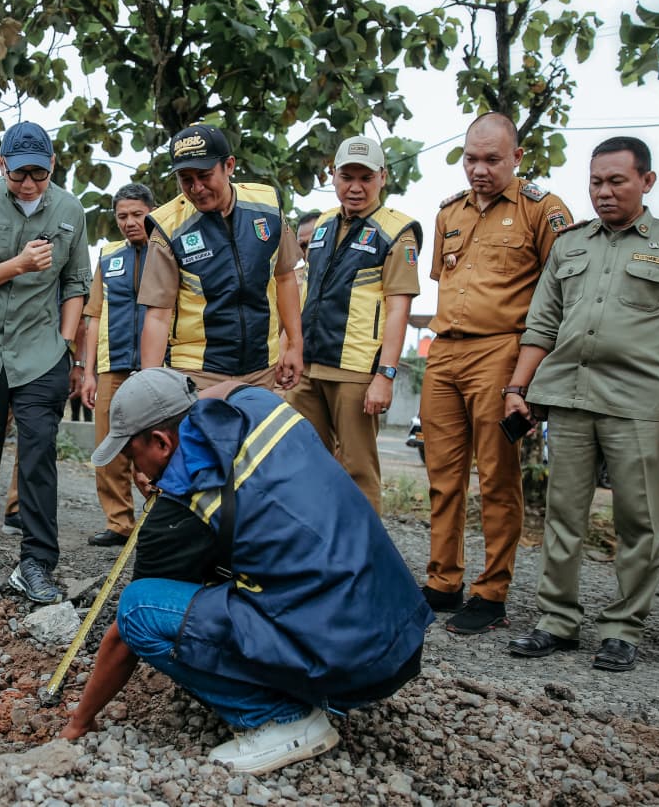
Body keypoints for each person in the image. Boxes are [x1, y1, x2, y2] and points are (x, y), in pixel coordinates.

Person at [58, 368, 431, 775]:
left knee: (136, 609)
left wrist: (79, 722)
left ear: (162, 442)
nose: (137, 474)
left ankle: (280, 719)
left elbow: (122, 637)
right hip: (397, 630)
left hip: (353, 662)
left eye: (133, 457)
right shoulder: (260, 406)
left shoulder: (181, 508)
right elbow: (227, 387)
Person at [503, 137, 659, 672]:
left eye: (616, 180)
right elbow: (541, 324)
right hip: (569, 397)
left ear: (647, 182)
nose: (603, 192)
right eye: (596, 181)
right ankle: (556, 621)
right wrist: (516, 389)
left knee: (639, 521)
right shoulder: (570, 245)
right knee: (562, 516)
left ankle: (622, 629)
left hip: (638, 403)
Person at [420, 112, 572, 635]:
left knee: (498, 479)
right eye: (471, 159)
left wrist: (529, 377)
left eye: (492, 159)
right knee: (442, 476)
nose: (479, 170)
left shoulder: (543, 211)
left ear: (517, 158)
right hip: (444, 352)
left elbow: (560, 296)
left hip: (501, 352)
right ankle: (444, 581)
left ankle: (492, 592)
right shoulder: (449, 214)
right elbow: (446, 278)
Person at [0, 120, 91, 604]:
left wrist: (66, 345)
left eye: (39, 174)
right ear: (1, 164)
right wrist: (19, 265)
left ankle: (38, 561)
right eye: (18, 173)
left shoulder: (70, 210)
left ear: (52, 168)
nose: (28, 184)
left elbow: (75, 283)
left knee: (38, 457)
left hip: (40, 353)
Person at [286, 137, 420, 514]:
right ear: (334, 176)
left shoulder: (396, 231)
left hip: (357, 372)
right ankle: (313, 551)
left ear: (383, 177)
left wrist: (386, 375)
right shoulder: (324, 223)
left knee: (358, 472)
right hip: (310, 367)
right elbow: (306, 290)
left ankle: (363, 562)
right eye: (347, 176)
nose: (356, 187)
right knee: (302, 463)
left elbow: (398, 310)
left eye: (366, 177)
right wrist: (290, 348)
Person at [137, 125, 303, 393]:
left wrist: (294, 345)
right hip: (198, 372)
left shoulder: (268, 207)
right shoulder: (168, 229)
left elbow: (284, 276)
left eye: (204, 175)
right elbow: (158, 315)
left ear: (229, 165)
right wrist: (151, 388)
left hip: (263, 368)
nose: (196, 188)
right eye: (185, 178)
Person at [80, 182, 156, 547]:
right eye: (122, 216)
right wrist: (89, 372)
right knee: (107, 446)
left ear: (152, 213)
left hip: (159, 367)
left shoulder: (166, 251)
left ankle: (160, 519)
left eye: (137, 215)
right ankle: (118, 522)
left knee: (157, 446)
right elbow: (93, 316)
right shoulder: (108, 258)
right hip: (113, 366)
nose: (129, 222)